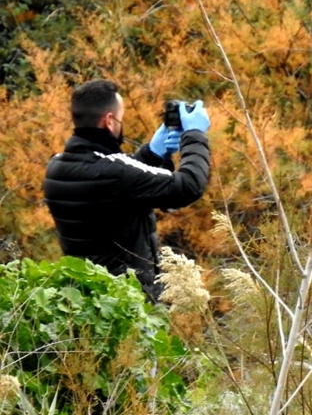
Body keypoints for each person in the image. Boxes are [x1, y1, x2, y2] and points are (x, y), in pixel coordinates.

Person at [43, 79, 212, 303]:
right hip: (128, 300)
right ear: (109, 121)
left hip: (84, 296)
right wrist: (195, 135)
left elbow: (112, 183)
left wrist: (152, 154)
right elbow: (188, 186)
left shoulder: (57, 166)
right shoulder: (118, 174)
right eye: (121, 118)